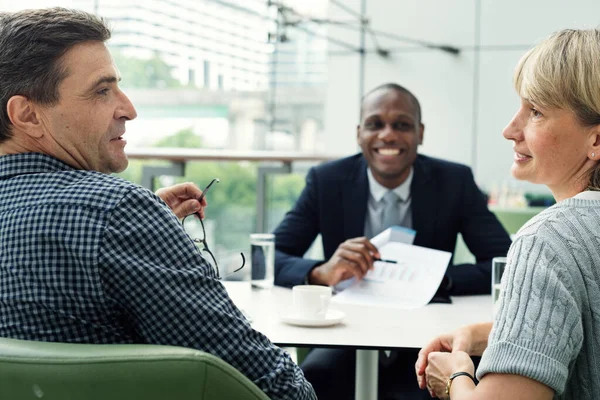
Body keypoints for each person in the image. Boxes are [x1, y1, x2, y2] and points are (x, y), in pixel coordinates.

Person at [0, 8, 315, 400]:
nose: (129, 108)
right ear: (27, 115)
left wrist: (148, 232)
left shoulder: (118, 219)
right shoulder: (119, 214)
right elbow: (276, 387)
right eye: (102, 90)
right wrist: (133, 223)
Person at [273, 82, 512, 399]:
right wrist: (320, 272)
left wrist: (436, 280)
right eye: (375, 124)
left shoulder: (454, 182)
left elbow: (504, 263)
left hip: (428, 336)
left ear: (420, 133)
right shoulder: (326, 180)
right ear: (359, 133)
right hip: (348, 334)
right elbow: (268, 255)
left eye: (401, 125)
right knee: (313, 380)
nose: (387, 135)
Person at [415, 28, 600, 400]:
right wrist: (493, 332)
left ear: (595, 140)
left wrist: (454, 379)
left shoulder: (548, 239)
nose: (509, 130)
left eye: (535, 112)